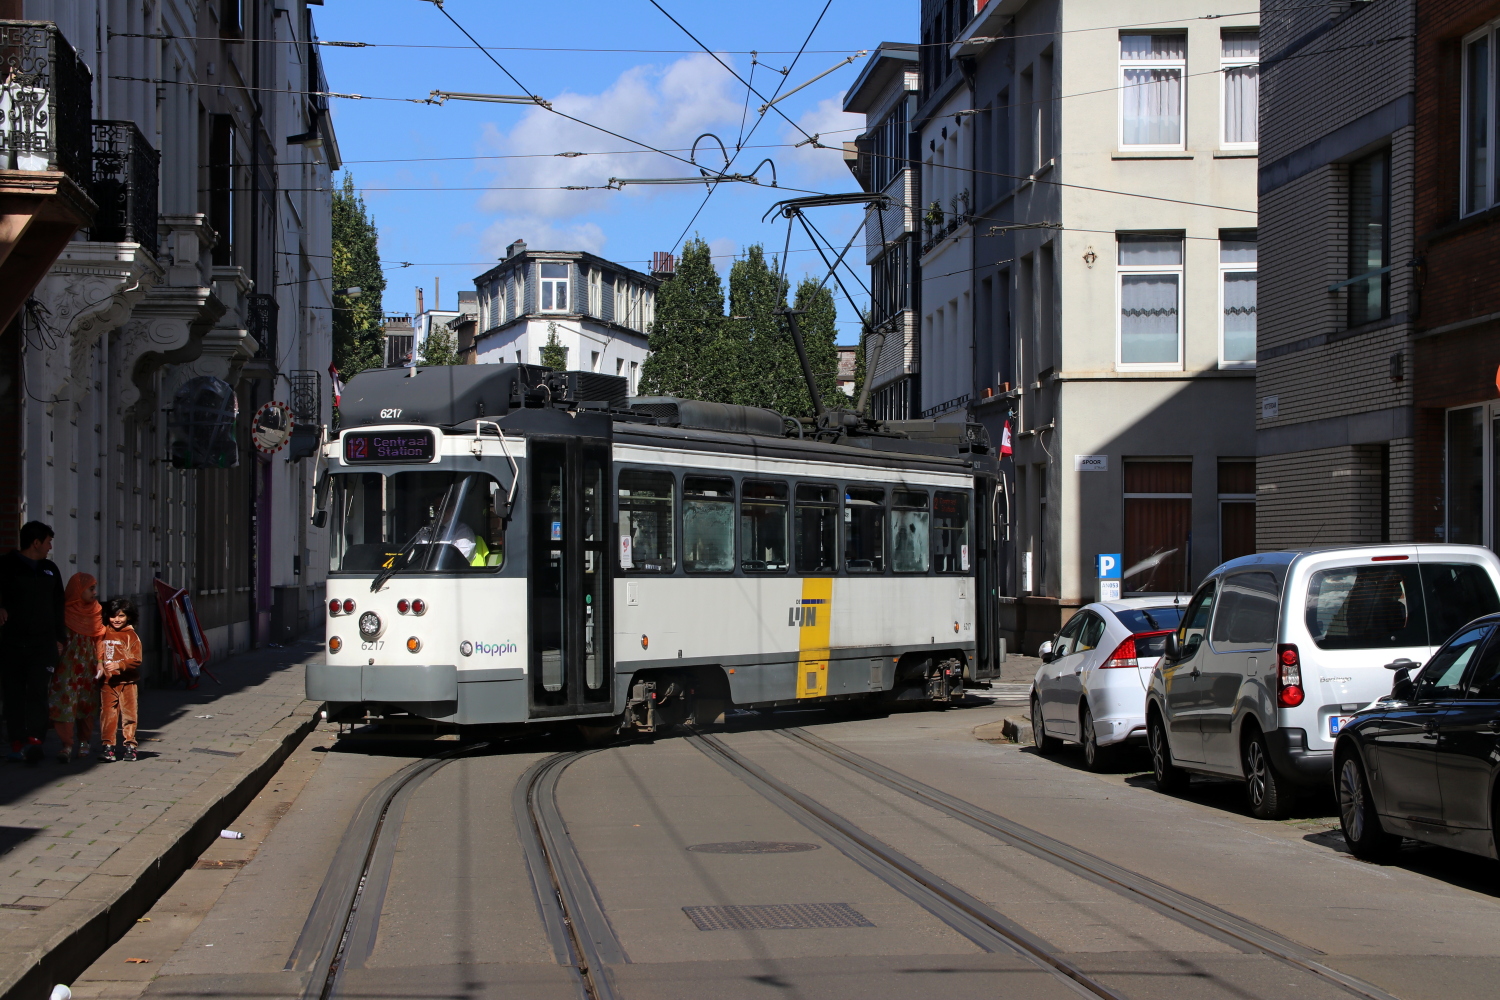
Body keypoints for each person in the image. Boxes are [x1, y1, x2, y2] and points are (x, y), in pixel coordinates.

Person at [0, 522, 66, 765]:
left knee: (38, 691)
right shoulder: (7, 565)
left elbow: (59, 605)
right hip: (12, 643)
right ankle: (17, 742)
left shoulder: (50, 569)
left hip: (43, 644)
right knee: (14, 693)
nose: (50, 547)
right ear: (35, 543)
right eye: (48, 542)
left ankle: (35, 740)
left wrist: (60, 638)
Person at [49, 573, 104, 763]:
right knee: (65, 703)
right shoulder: (63, 612)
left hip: (87, 667)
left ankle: (84, 741)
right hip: (67, 667)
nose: (94, 592)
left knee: (86, 705)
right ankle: (66, 744)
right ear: (78, 590)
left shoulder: (96, 611)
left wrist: (99, 661)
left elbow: (99, 639)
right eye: (91, 588)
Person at [98, 598, 142, 763]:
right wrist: (99, 665)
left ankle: (130, 745)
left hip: (128, 683)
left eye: (121, 616)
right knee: (107, 715)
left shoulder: (131, 636)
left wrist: (120, 664)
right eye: (113, 616)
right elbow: (98, 651)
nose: (117, 620)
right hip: (107, 683)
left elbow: (136, 659)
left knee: (129, 715)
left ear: (129, 617)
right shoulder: (103, 632)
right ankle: (108, 746)